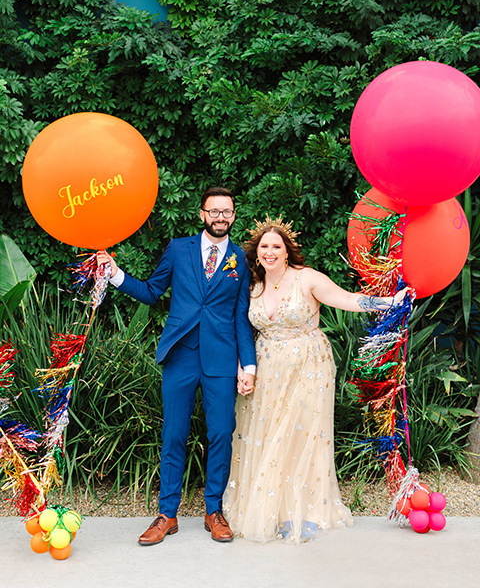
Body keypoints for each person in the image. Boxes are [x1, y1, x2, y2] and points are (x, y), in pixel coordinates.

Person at [223, 215, 408, 544]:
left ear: (287, 250)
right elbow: (239, 330)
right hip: (266, 366)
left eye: (276, 246)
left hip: (309, 364)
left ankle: (305, 511)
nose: (270, 252)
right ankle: (275, 510)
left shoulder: (306, 279)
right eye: (264, 246)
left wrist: (388, 303)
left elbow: (347, 299)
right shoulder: (251, 285)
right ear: (256, 251)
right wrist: (242, 367)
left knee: (303, 434)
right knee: (267, 435)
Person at [97, 187, 256, 545]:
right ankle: (167, 514)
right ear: (202, 214)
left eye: (226, 211)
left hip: (220, 359)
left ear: (233, 215)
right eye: (213, 211)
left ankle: (213, 510)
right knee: (173, 435)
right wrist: (116, 274)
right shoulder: (178, 249)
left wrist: (249, 365)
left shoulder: (241, 260)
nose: (220, 217)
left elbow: (241, 318)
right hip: (180, 355)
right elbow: (153, 291)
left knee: (220, 435)